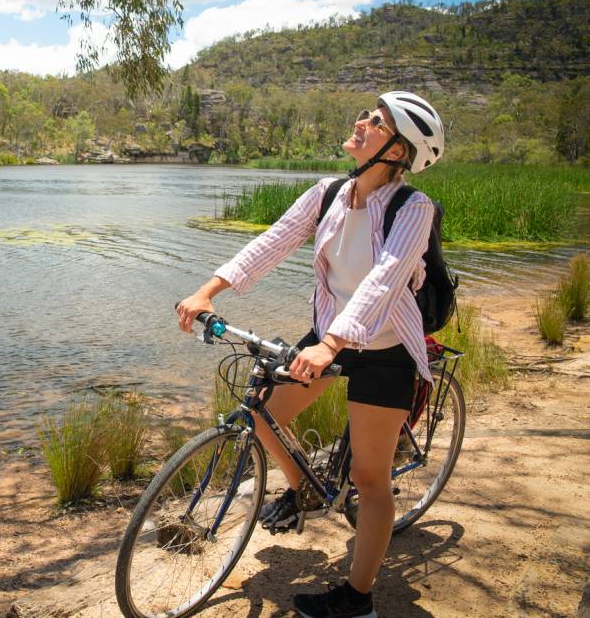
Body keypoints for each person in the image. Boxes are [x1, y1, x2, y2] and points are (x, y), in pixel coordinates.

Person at [176, 91, 446, 618]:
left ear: (395, 151)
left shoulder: (414, 208)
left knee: (369, 478)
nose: (361, 122)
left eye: (376, 121)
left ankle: (358, 600)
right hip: (329, 336)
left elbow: (384, 282)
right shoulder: (328, 193)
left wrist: (330, 345)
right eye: (367, 115)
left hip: (384, 348)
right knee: (258, 414)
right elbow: (272, 241)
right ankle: (300, 489)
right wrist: (209, 290)